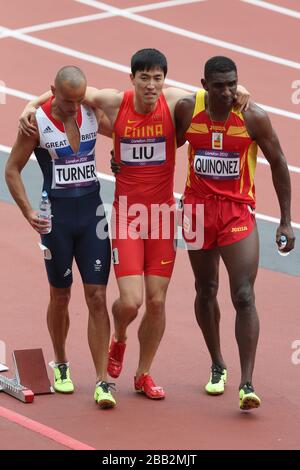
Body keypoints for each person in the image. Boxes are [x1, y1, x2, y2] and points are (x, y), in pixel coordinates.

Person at [19, 49, 250, 400]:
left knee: (157, 302)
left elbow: (221, 92)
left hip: (161, 217)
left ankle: (143, 374)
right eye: (145, 78)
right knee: (131, 302)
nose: (151, 85)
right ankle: (120, 337)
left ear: (164, 81)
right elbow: (70, 90)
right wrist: (29, 105)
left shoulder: (174, 102)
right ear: (132, 79)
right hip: (127, 215)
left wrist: (243, 90)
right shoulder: (114, 102)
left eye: (157, 78)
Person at [175, 56, 295, 410]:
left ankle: (246, 382)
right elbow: (158, 137)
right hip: (196, 210)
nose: (227, 92)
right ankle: (217, 364)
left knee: (243, 295)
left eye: (232, 84)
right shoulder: (186, 110)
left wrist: (286, 220)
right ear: (204, 84)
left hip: (236, 213)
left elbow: (279, 162)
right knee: (205, 288)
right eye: (219, 86)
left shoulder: (252, 116)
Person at [5, 66, 117, 409]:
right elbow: (11, 169)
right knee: (61, 296)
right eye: (67, 101)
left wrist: (120, 159)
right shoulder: (35, 122)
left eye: (78, 99)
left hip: (93, 216)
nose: (73, 107)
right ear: (53, 90)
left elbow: (129, 133)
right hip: (56, 221)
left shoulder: (91, 110)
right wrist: (27, 212)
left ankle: (102, 381)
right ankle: (62, 362)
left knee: (97, 296)